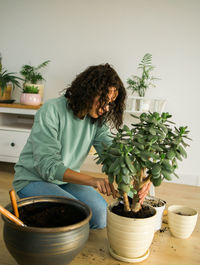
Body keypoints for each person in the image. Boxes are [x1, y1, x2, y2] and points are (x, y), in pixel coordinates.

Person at [13, 63, 150, 229]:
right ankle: (32, 213)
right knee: (76, 215)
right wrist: (92, 180)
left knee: (100, 217)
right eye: (103, 100)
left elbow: (114, 156)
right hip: (32, 179)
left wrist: (138, 181)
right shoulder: (51, 110)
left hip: (64, 181)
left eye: (110, 103)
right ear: (88, 92)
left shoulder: (97, 122)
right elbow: (47, 166)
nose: (106, 108)